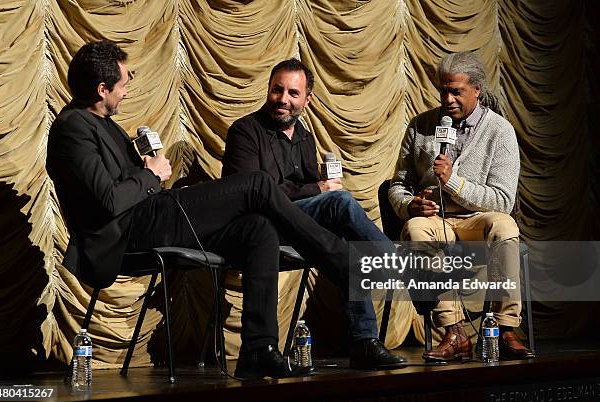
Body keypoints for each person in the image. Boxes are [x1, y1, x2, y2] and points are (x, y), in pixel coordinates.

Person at [46, 41, 404, 381]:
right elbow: (109, 201)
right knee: (259, 184)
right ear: (102, 88)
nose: (127, 91)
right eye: (123, 84)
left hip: (152, 216)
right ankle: (345, 264)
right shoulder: (72, 128)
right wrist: (149, 173)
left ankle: (258, 350)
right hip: (130, 231)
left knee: (257, 228)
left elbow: (123, 186)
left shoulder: (104, 125)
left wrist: (147, 174)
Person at [222, 58, 407, 368]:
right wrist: (317, 190)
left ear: (307, 99)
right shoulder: (245, 131)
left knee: (349, 247)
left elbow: (311, 188)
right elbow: (252, 194)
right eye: (277, 90)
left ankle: (365, 343)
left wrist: (319, 188)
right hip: (262, 227)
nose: (283, 99)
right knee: (341, 202)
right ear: (268, 90)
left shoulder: (304, 137)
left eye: (293, 93)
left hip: (300, 225)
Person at [388, 52, 534, 361]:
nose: (448, 99)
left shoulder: (500, 131)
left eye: (457, 91)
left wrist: (453, 182)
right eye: (444, 91)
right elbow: (398, 185)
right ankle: (454, 333)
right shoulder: (422, 125)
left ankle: (505, 329)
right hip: (435, 219)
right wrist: (410, 205)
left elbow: (502, 201)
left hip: (477, 221)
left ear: (477, 89)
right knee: (416, 229)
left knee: (505, 226)